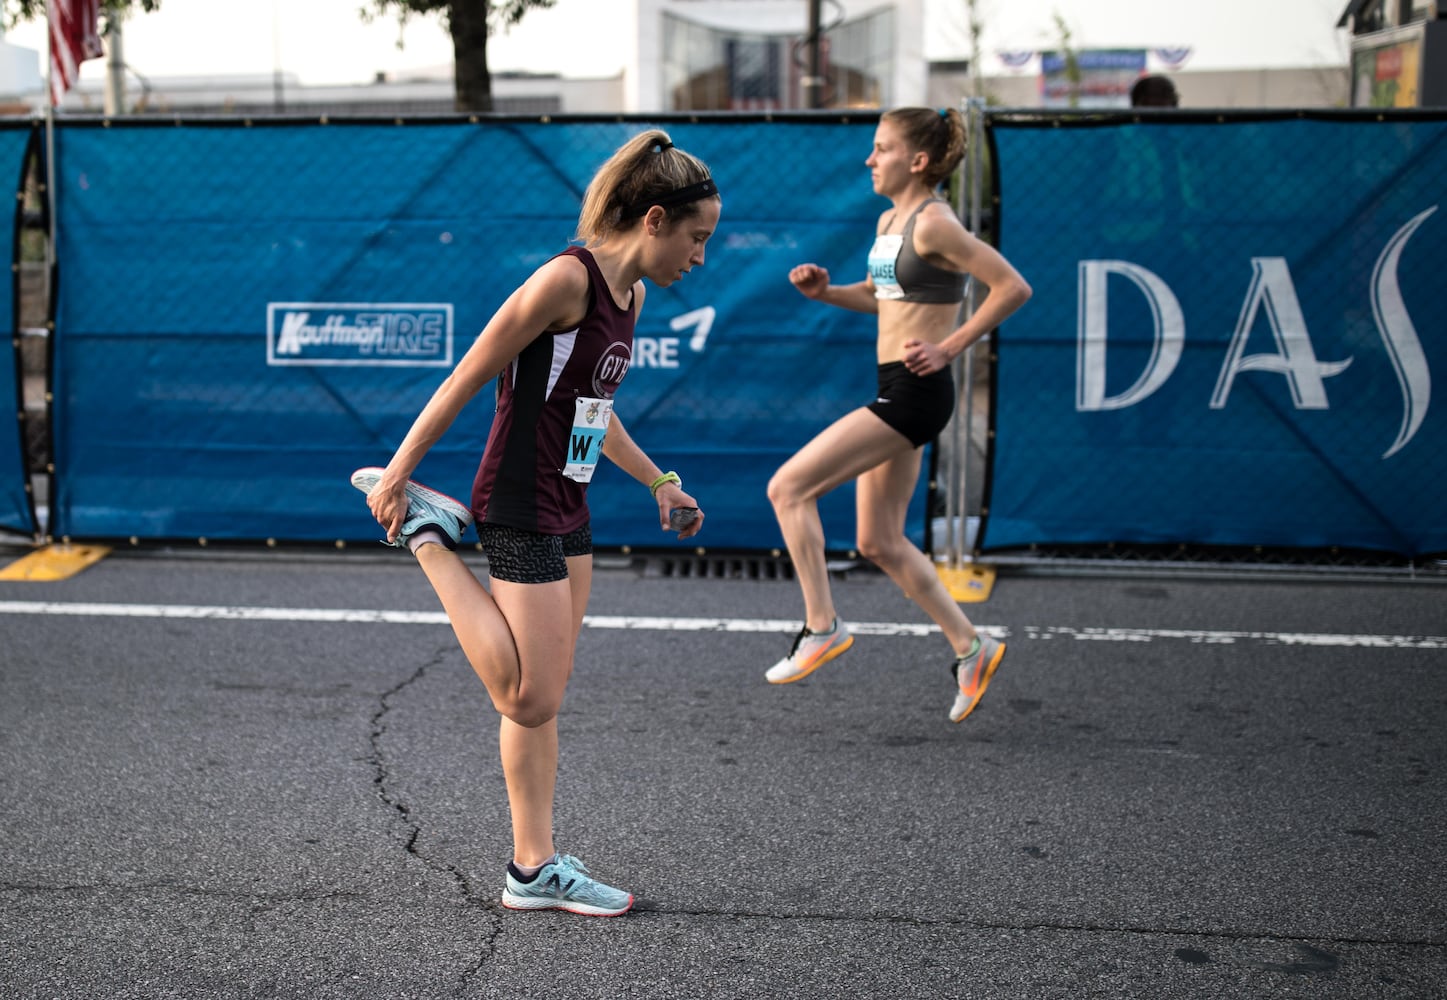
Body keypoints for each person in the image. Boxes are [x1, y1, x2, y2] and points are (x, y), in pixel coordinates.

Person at [351, 129, 718, 917]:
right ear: (654, 219)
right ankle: (426, 535)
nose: (700, 255)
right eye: (696, 237)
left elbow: (596, 411)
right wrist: (398, 472)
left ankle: (533, 867)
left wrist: (659, 480)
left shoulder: (633, 295)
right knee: (525, 694)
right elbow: (470, 371)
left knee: (544, 696)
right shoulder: (565, 280)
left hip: (568, 499)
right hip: (517, 497)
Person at [765, 107, 1031, 724]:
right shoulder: (892, 220)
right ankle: (972, 647)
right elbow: (883, 299)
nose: (869, 159)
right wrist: (827, 293)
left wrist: (949, 348)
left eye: (880, 148)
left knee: (788, 488)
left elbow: (1012, 286)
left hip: (915, 390)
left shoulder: (937, 223)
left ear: (916, 161)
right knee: (878, 539)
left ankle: (821, 627)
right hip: (895, 384)